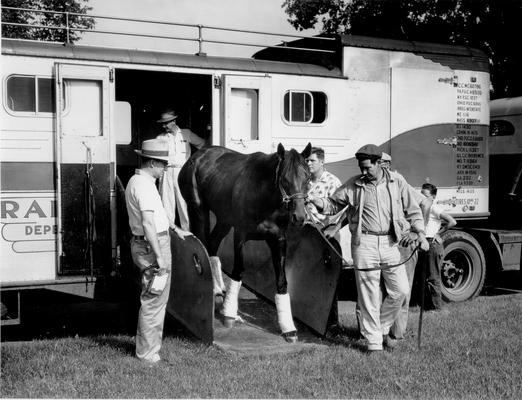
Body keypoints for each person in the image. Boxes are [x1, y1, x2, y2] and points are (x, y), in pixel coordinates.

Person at [308, 144, 429, 352]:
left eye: (367, 168)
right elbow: (333, 205)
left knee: (400, 290)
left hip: (391, 243)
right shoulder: (354, 184)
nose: (363, 172)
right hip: (364, 244)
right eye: (361, 168)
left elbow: (414, 209)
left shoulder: (397, 181)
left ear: (378, 163)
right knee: (369, 295)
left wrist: (419, 232)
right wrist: (316, 201)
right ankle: (374, 344)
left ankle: (380, 327)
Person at [125, 138, 190, 364]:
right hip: (152, 246)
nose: (165, 170)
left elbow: (158, 214)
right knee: (154, 299)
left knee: (154, 298)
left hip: (147, 243)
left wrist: (174, 228)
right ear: (152, 162)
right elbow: (149, 223)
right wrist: (160, 257)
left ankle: (151, 350)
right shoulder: (143, 185)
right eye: (163, 164)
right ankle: (147, 354)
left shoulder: (139, 181)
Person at [156, 109, 205, 231]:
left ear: (174, 121)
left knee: (183, 205)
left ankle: (187, 234)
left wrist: (194, 162)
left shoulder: (186, 134)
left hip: (182, 172)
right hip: (166, 172)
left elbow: (202, 145)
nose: (164, 126)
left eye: (166, 123)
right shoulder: (160, 138)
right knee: (166, 205)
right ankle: (168, 235)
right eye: (163, 123)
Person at [419, 183, 457, 310]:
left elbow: (452, 221)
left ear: (433, 197)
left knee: (433, 276)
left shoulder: (435, 208)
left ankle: (437, 308)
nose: (422, 198)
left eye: (426, 195)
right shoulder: (422, 207)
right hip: (424, 243)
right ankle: (427, 305)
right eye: (421, 194)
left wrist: (438, 233)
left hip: (433, 245)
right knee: (425, 276)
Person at [305, 147, 342, 227]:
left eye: (312, 160)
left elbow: (338, 210)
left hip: (322, 230)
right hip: (302, 230)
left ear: (322, 162)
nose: (308, 163)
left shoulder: (332, 182)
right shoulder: (303, 181)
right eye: (307, 161)